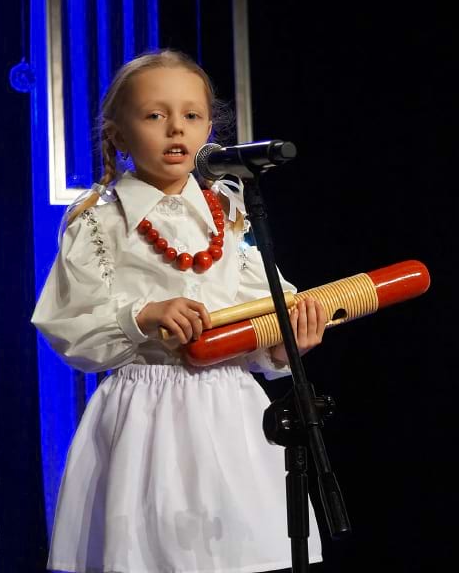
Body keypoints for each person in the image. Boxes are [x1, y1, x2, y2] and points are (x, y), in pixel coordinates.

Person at [32, 49, 327, 573]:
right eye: (154, 115)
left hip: (228, 411)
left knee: (237, 552)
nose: (176, 129)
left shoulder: (230, 215)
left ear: (208, 128)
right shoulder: (99, 223)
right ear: (119, 134)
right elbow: (68, 328)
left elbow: (264, 313)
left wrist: (283, 345)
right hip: (147, 414)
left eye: (191, 116)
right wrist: (141, 316)